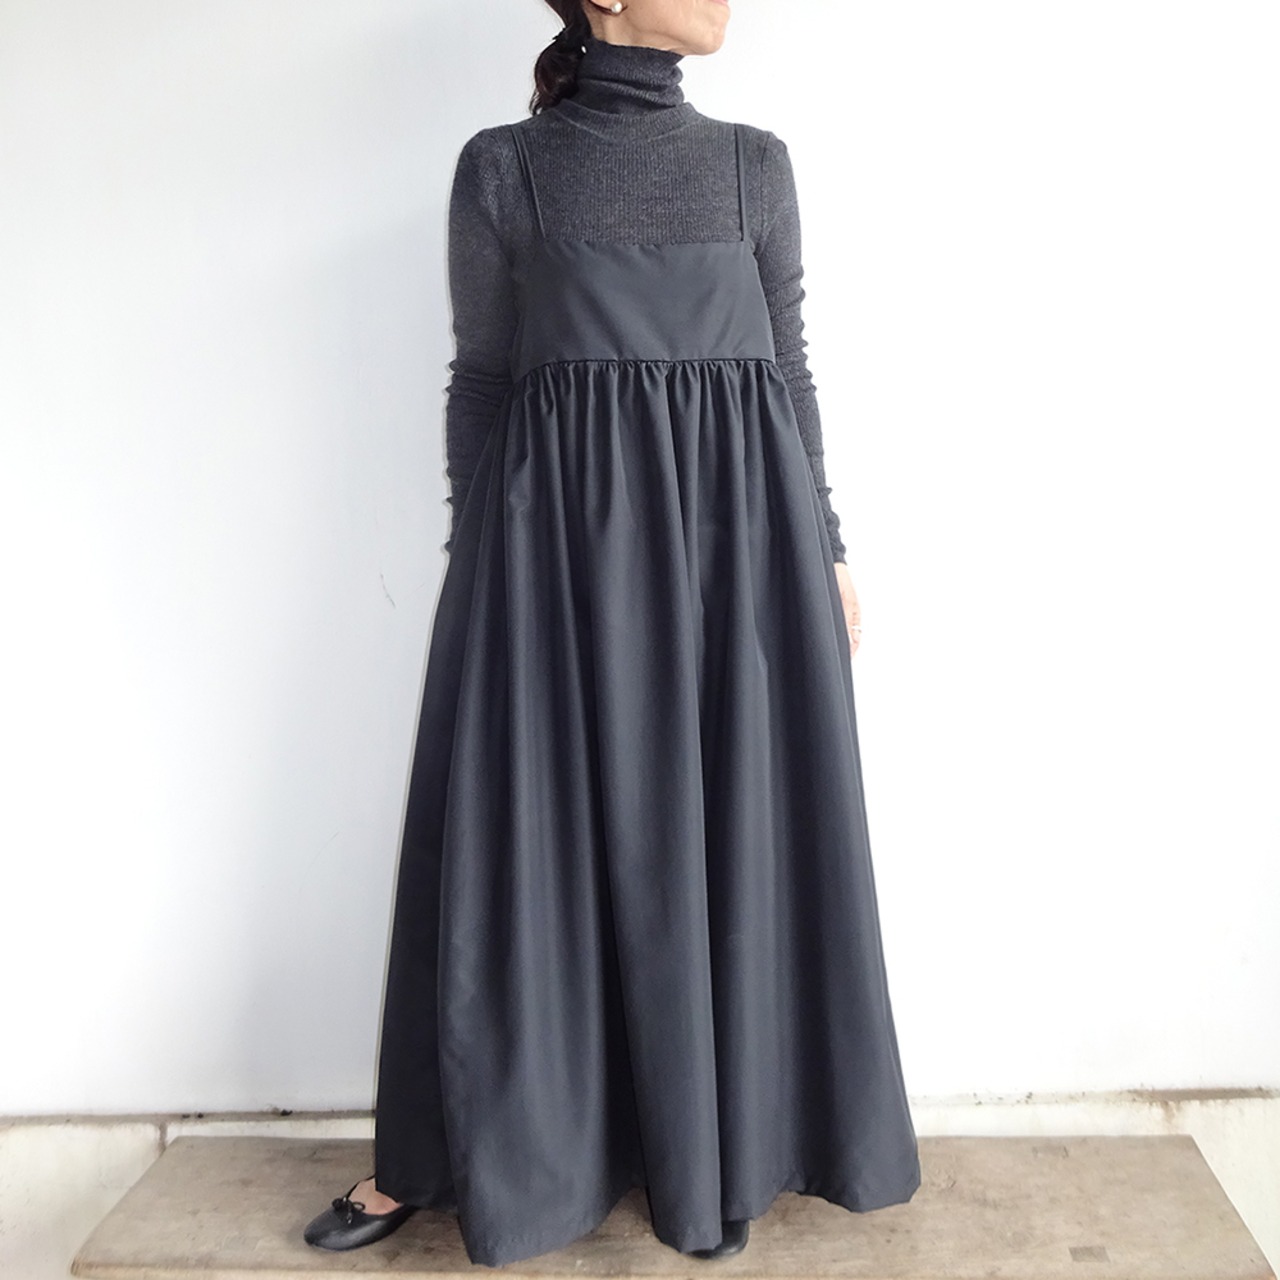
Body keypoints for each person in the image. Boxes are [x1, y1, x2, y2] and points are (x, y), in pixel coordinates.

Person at [303, 0, 921, 1267]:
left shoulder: (755, 165)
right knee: (527, 840)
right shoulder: (503, 168)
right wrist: (480, 565)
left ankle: (721, 1147)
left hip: (739, 559)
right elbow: (482, 379)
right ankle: (474, 1150)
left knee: (733, 829)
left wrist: (827, 543)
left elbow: (788, 369)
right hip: (552, 565)